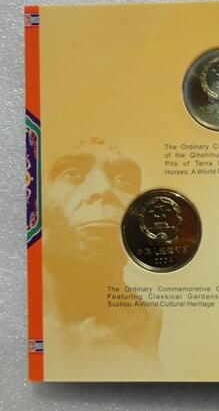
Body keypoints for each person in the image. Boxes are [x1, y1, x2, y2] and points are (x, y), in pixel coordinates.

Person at [43, 137, 161, 379]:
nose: (103, 190)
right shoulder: (15, 314)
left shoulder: (147, 317)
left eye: (123, 180)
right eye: (72, 174)